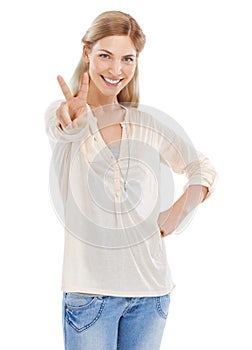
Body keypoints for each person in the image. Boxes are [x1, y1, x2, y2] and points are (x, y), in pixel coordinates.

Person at [45, 10, 217, 350]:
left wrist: (175, 214)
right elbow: (63, 127)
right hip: (90, 296)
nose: (115, 70)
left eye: (127, 58)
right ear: (86, 53)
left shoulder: (147, 123)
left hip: (150, 296)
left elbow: (202, 167)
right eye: (105, 56)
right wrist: (73, 118)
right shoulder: (63, 113)